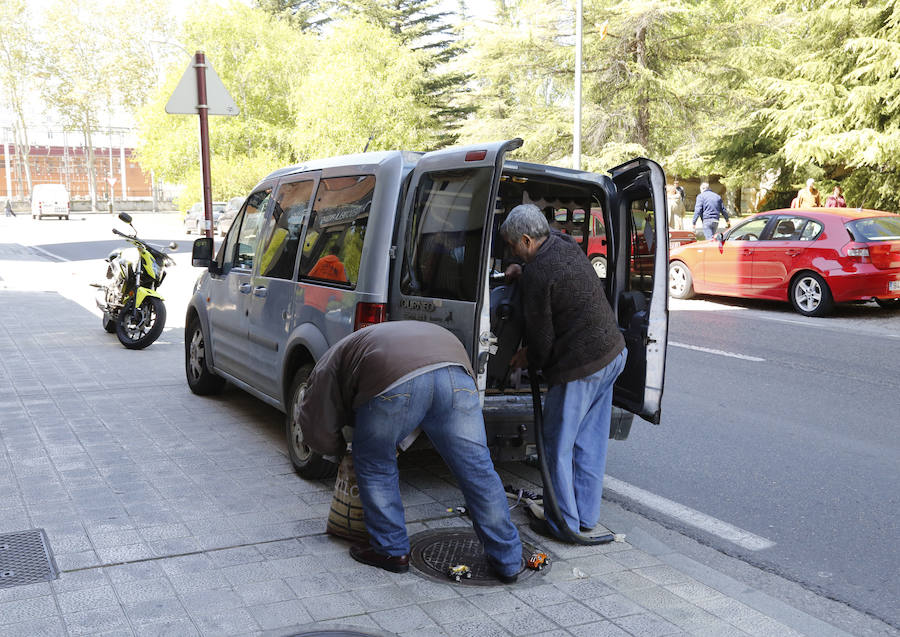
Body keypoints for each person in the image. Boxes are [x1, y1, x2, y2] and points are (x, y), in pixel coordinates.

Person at [296, 320, 523, 582]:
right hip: (456, 370)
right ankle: (507, 559)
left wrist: (336, 451)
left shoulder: (326, 363)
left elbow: (316, 420)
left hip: (395, 375)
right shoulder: (367, 341)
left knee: (374, 463)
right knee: (478, 469)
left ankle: (391, 551)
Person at [500, 204, 627, 541]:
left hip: (581, 366)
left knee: (557, 445)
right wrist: (521, 271)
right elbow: (552, 273)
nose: (513, 252)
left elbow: (542, 341)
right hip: (613, 353)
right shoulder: (564, 243)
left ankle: (563, 523)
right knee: (589, 441)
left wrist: (525, 359)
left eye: (514, 247)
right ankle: (585, 516)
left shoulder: (539, 274)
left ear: (527, 240)